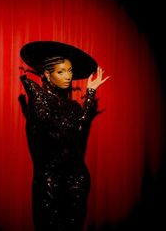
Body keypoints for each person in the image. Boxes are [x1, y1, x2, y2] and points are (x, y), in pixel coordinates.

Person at [19, 41, 110, 231]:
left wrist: (91, 91)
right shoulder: (39, 99)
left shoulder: (73, 106)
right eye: (61, 72)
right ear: (47, 75)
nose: (68, 76)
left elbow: (78, 129)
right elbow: (63, 132)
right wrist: (88, 101)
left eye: (69, 71)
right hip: (50, 183)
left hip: (77, 180)